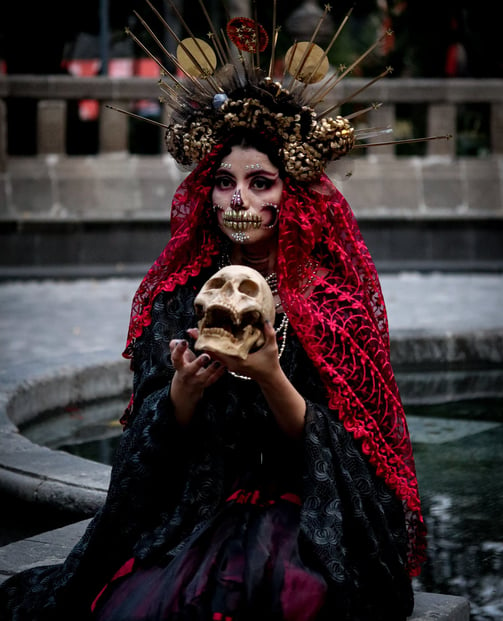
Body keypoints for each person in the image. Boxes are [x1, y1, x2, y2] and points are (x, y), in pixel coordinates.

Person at [0, 7, 428, 621]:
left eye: (262, 183)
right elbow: (144, 453)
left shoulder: (336, 303)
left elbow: (357, 469)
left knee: (296, 597)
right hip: (200, 504)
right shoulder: (181, 297)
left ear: (295, 194)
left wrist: (271, 376)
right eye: (225, 182)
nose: (239, 201)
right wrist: (181, 393)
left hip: (300, 513)